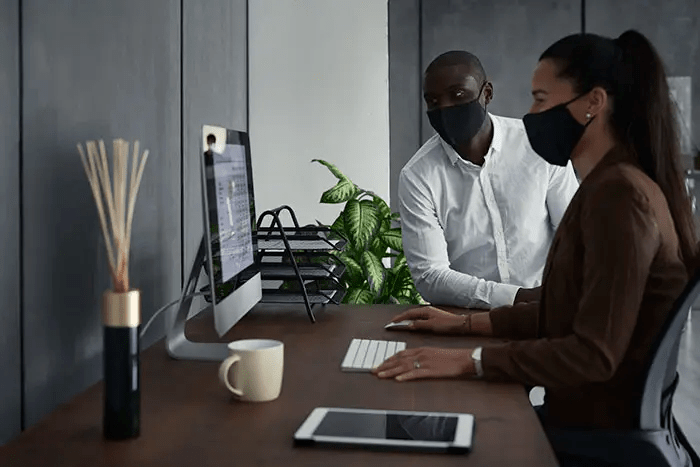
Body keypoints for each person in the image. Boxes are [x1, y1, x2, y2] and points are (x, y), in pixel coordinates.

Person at [374, 29, 698, 460]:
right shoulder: (612, 184)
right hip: (592, 419)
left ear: (592, 104)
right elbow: (572, 311)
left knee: (428, 441)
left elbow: (593, 352)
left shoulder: (619, 195)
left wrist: (471, 360)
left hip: (598, 435)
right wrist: (467, 325)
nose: (530, 115)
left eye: (542, 100)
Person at [399, 51, 579, 310]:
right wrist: (520, 297)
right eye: (433, 101)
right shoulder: (418, 176)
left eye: (458, 95)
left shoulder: (540, 146)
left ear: (487, 93)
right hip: (466, 318)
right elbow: (431, 276)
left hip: (547, 312)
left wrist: (559, 296)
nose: (445, 108)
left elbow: (575, 238)